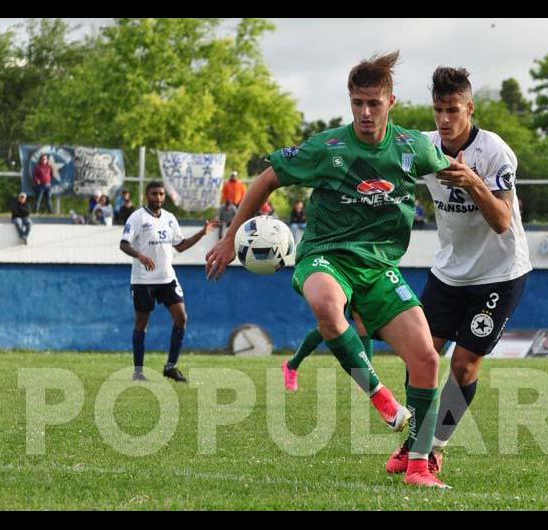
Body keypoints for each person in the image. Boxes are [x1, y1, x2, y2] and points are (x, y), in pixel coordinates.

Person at [205, 51, 453, 488]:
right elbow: (266, 178)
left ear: (390, 103)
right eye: (357, 102)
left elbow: (452, 170)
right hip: (325, 254)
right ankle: (380, 396)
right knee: (324, 301)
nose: (364, 112)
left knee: (427, 358)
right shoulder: (327, 147)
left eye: (373, 103)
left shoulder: (414, 147)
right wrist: (230, 237)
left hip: (378, 267)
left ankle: (416, 466)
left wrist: (485, 194)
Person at [384, 66, 531, 477]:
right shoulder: (425, 148)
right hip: (450, 271)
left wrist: (473, 183)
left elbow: (503, 221)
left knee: (464, 365)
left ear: (469, 108)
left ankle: (433, 448)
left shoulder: (494, 151)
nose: (444, 120)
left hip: (500, 273)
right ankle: (416, 442)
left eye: (452, 110)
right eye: (438, 110)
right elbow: (389, 170)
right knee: (420, 356)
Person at [120, 181, 219, 383]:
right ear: (147, 195)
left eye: (161, 194)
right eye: (154, 193)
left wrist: (202, 232)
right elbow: (124, 244)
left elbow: (180, 246)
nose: (158, 197)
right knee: (141, 324)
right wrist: (140, 256)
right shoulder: (137, 217)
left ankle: (171, 366)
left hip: (166, 278)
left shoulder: (170, 218)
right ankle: (138, 372)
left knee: (181, 318)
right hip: (143, 281)